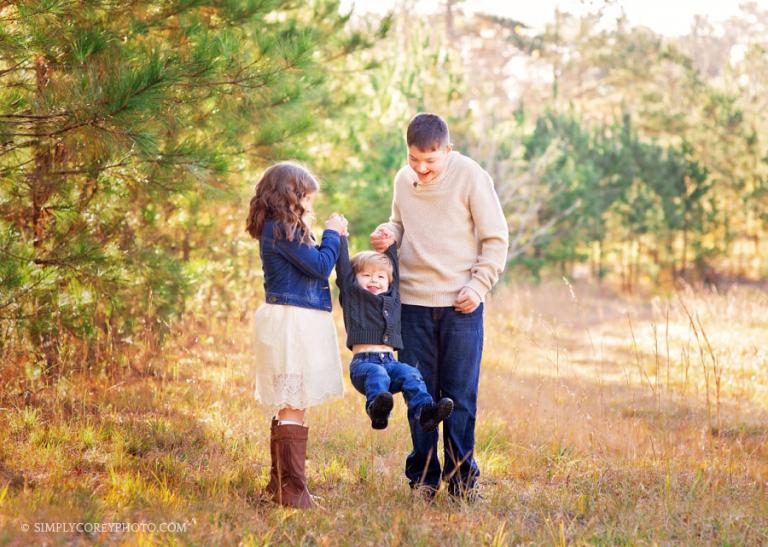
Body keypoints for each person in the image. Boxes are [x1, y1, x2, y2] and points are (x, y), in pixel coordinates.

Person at [370, 113, 509, 500]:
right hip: (412, 304)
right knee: (421, 396)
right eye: (414, 159)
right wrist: (388, 233)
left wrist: (479, 285)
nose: (422, 168)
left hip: (461, 305)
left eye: (430, 160)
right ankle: (424, 480)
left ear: (448, 150)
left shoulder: (471, 176)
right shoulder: (403, 179)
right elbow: (401, 223)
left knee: (460, 396)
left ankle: (463, 482)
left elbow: (495, 238)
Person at [246, 161, 349, 509]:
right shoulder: (281, 229)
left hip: (295, 318)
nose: (309, 205)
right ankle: (290, 492)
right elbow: (321, 265)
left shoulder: (281, 229)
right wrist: (333, 232)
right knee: (292, 400)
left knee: (295, 399)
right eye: (306, 197)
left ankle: (282, 486)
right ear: (290, 196)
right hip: (292, 323)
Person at [335, 233, 454, 432]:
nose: (374, 280)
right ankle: (377, 411)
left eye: (380, 276)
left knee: (411, 374)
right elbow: (343, 269)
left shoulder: (393, 298)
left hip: (391, 363)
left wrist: (391, 245)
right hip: (364, 366)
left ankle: (425, 412)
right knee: (377, 372)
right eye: (366, 275)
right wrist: (341, 237)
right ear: (354, 280)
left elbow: (395, 273)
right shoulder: (353, 297)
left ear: (389, 283)